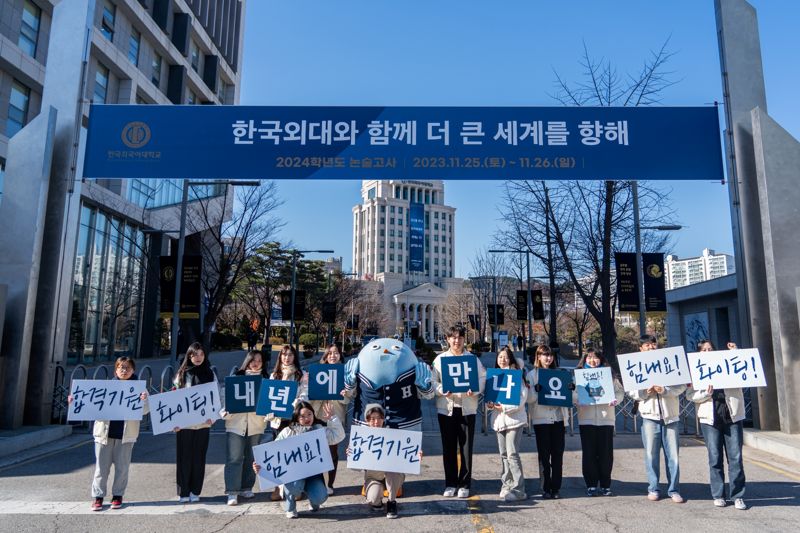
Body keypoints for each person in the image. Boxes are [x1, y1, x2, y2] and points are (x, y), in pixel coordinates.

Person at [68, 356, 148, 511]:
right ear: (115, 370)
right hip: (104, 433)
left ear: (133, 370)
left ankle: (117, 495)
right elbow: (90, 405)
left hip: (126, 434)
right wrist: (75, 401)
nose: (124, 371)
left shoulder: (139, 388)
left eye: (127, 368)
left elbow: (144, 411)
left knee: (122, 467)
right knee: (101, 468)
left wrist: (143, 401)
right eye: (121, 367)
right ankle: (98, 497)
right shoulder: (105, 387)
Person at [253, 401, 345, 519]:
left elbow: (338, 436)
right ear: (296, 417)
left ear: (313, 415)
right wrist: (259, 466)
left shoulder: (318, 430)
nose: (307, 418)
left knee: (321, 497)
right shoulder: (288, 432)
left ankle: (314, 501)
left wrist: (332, 419)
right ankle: (290, 507)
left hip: (314, 475)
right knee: (295, 487)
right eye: (302, 416)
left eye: (309, 414)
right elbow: (273, 454)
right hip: (293, 476)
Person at [689, 340, 748, 510]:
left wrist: (736, 352)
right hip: (710, 419)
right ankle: (718, 494)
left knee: (735, 457)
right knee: (715, 458)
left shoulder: (728, 364)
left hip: (733, 416)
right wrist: (706, 394)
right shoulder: (696, 370)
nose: (707, 352)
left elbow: (745, 373)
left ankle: (737, 496)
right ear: (699, 353)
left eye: (710, 349)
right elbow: (689, 395)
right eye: (704, 350)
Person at [628, 334, 686, 503]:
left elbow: (682, 385)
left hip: (671, 416)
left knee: (673, 456)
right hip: (649, 417)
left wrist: (665, 389)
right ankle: (653, 488)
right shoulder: (635, 366)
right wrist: (644, 392)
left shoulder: (670, 361)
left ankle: (674, 489)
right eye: (646, 345)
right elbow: (631, 391)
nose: (650, 347)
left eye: (653, 344)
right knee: (651, 455)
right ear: (641, 349)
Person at [432, 324, 486, 498]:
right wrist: (441, 389)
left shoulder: (472, 359)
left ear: (464, 340)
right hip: (446, 409)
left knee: (465, 448)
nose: (457, 341)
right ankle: (450, 483)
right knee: (448, 447)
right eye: (453, 337)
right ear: (447, 339)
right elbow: (432, 381)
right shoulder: (440, 360)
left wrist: (475, 389)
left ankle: (464, 484)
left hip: (467, 409)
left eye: (460, 337)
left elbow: (483, 377)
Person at [347, 404, 422, 519]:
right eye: (372, 419)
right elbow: (355, 468)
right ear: (367, 420)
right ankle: (378, 499)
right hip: (374, 477)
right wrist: (351, 455)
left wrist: (416, 455)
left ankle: (392, 502)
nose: (376, 422)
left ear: (383, 419)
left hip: (393, 475)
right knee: (374, 500)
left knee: (392, 472)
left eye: (379, 418)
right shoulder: (362, 438)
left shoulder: (394, 434)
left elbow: (406, 455)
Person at [220, 350, 269, 506]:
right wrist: (225, 412)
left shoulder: (265, 381)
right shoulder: (235, 379)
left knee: (251, 458)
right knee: (234, 458)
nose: (256, 363)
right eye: (253, 360)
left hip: (256, 425)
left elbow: (269, 404)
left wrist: (269, 414)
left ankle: (246, 487)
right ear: (247, 361)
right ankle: (232, 492)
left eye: (259, 361)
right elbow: (223, 401)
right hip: (235, 424)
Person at [574, 348, 624, 496]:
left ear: (601, 359)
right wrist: (578, 400)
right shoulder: (579, 375)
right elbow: (572, 392)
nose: (592, 361)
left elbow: (620, 392)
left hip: (606, 419)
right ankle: (590, 484)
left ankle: (605, 484)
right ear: (584, 360)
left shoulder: (609, 375)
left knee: (606, 454)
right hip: (586, 419)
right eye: (589, 358)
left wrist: (616, 400)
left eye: (595, 358)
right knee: (589, 453)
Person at [173, 342, 216, 503]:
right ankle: (183, 491)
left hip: (204, 423)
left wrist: (214, 416)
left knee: (199, 457)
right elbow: (174, 398)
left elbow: (216, 396)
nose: (197, 358)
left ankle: (195, 491)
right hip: (184, 424)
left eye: (201, 354)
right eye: (194, 354)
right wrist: (173, 422)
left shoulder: (210, 373)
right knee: (184, 457)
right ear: (188, 356)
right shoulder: (181, 374)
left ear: (205, 356)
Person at [526, 344, 570, 499]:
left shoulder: (559, 373)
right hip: (541, 420)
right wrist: (536, 391)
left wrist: (569, 389)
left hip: (558, 419)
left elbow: (569, 397)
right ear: (538, 357)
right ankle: (546, 487)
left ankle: (556, 488)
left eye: (551, 355)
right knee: (544, 455)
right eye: (545, 355)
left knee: (558, 454)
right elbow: (528, 398)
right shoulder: (532, 374)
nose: (548, 358)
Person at [486, 346, 528, 502]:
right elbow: (489, 398)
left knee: (512, 455)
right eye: (500, 357)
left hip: (514, 421)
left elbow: (521, 400)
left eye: (505, 357)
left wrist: (503, 407)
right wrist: (490, 405)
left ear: (511, 359)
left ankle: (519, 489)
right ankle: (507, 485)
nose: (502, 359)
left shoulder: (518, 376)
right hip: (499, 422)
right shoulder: (494, 376)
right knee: (504, 455)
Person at [267, 344, 308, 500]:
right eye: (284, 355)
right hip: (278, 421)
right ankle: (278, 487)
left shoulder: (301, 374)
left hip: (294, 420)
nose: (287, 357)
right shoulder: (274, 375)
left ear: (295, 357)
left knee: (295, 455)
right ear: (280, 357)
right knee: (278, 455)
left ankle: (296, 489)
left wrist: (295, 403)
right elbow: (269, 397)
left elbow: (305, 393)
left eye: (290, 355)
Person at [308, 344, 351, 495]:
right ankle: (317, 483)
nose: (333, 355)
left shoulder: (345, 373)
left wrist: (345, 393)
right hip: (317, 416)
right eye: (330, 353)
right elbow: (309, 398)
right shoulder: (316, 372)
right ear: (325, 356)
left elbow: (348, 400)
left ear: (340, 355)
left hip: (335, 417)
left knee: (333, 452)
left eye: (336, 353)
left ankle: (330, 484)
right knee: (317, 452)